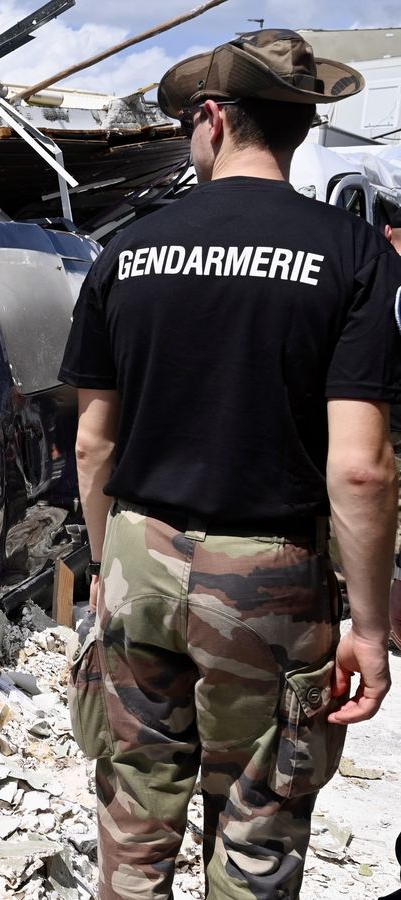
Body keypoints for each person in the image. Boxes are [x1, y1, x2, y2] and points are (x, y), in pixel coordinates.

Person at [59, 29, 400, 900]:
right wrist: (367, 625)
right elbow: (361, 469)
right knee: (257, 822)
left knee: (134, 809)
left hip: (139, 550)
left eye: (186, 123)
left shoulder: (124, 253)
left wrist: (106, 567)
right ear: (298, 126)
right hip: (272, 576)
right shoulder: (353, 254)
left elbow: (94, 443)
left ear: (213, 119)